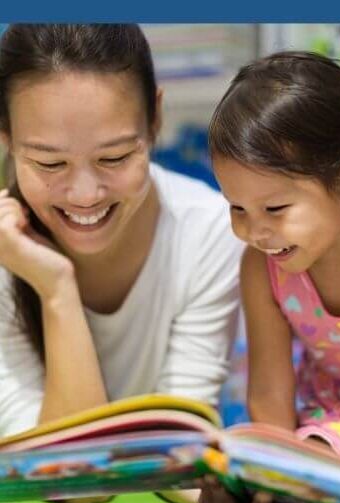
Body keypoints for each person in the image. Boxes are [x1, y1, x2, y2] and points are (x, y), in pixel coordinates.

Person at [0, 23, 243, 438]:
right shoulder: (8, 253)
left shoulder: (209, 232)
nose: (85, 195)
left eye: (114, 157)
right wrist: (56, 289)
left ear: (155, 121)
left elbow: (177, 448)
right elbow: (64, 471)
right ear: (6, 139)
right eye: (49, 164)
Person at [201, 50, 340, 503]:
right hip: (329, 426)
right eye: (237, 208)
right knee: (287, 473)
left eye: (274, 209)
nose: (254, 232)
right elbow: (269, 399)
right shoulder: (262, 268)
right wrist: (272, 473)